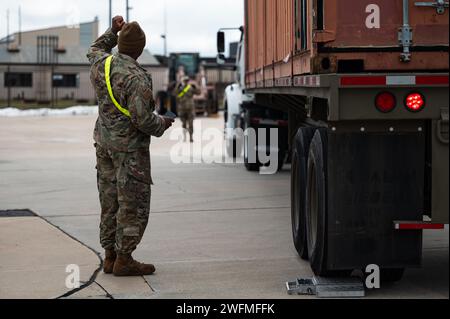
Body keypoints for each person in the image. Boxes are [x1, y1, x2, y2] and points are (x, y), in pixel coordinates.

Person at [87, 16, 174, 276]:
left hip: (104, 144)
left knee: (109, 200)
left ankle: (109, 256)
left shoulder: (101, 64)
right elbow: (141, 119)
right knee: (132, 204)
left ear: (121, 45)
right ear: (139, 50)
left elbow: (94, 49)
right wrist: (162, 124)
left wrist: (112, 32)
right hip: (129, 152)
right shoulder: (137, 77)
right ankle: (124, 259)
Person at [176, 76, 200, 142]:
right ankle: (184, 137)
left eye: (187, 81)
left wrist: (196, 87)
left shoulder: (191, 88)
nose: (186, 82)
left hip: (190, 108)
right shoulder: (180, 88)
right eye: (185, 81)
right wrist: (177, 86)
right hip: (182, 109)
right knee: (183, 124)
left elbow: (198, 93)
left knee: (190, 124)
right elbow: (175, 94)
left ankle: (191, 137)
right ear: (183, 81)